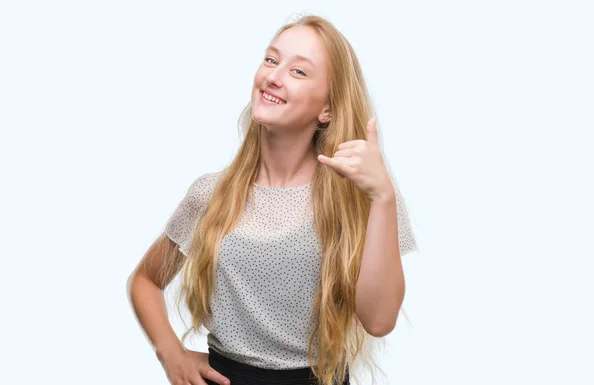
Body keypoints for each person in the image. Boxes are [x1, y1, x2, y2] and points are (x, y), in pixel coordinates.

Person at [127, 14, 418, 385]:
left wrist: (382, 197)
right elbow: (146, 280)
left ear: (327, 109)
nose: (274, 76)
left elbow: (379, 322)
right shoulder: (211, 194)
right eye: (271, 60)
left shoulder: (360, 195)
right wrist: (172, 355)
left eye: (299, 72)